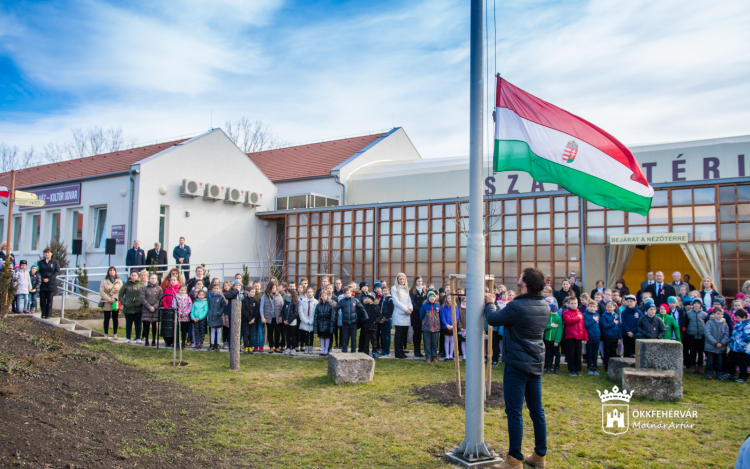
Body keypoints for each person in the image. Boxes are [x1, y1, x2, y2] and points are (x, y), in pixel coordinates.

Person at [485, 268, 548, 468]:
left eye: (521, 275)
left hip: (517, 366)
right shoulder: (544, 306)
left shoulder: (518, 305)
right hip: (535, 363)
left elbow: (493, 319)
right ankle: (540, 456)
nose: (518, 276)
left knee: (514, 412)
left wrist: (490, 303)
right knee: (537, 411)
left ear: (526, 282)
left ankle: (514, 459)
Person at [333, 286, 367, 353]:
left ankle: (353, 351)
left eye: (348, 293)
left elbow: (362, 308)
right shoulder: (342, 301)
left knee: (353, 338)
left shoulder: (355, 300)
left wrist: (365, 317)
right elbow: (335, 309)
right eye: (346, 293)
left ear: (351, 293)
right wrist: (334, 317)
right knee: (345, 338)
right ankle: (344, 350)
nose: (347, 294)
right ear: (344, 294)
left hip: (353, 323)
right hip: (345, 323)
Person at [117, 269, 144, 343]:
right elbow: (120, 295)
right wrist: (124, 303)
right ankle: (128, 337)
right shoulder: (126, 284)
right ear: (130, 276)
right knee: (128, 323)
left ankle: (138, 337)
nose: (133, 277)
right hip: (128, 308)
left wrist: (142, 303)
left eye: (135, 275)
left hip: (138, 308)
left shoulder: (141, 284)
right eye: (132, 275)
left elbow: (144, 295)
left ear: (137, 276)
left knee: (138, 323)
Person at [562, 296, 586, 376]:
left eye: (575, 303)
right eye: (572, 303)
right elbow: (568, 321)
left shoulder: (580, 313)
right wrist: (577, 318)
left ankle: (577, 369)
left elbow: (583, 326)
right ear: (568, 304)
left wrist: (585, 337)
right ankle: (571, 369)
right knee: (570, 353)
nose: (574, 305)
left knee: (578, 354)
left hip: (579, 337)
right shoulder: (566, 312)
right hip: (570, 336)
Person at [391, 273, 413, 359]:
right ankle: (398, 352)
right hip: (399, 314)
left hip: (406, 315)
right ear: (397, 280)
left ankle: (402, 351)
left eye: (403, 279)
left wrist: (410, 309)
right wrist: (405, 309)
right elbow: (396, 302)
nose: (402, 281)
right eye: (400, 279)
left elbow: (409, 301)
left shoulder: (406, 289)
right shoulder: (394, 288)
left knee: (404, 335)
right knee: (398, 335)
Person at [356, 282, 381, 358]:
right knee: (366, 340)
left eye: (369, 298)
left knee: (374, 340)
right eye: (366, 298)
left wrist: (376, 321)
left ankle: (374, 352)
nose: (367, 299)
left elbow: (379, 315)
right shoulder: (364, 307)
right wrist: (364, 321)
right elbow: (362, 315)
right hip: (366, 326)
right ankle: (366, 351)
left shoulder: (376, 307)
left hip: (373, 326)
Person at [704, 306, 730, 380]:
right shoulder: (709, 322)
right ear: (713, 314)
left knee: (719, 361)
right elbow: (707, 333)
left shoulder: (724, 324)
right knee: (710, 360)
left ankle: (719, 374)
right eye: (718, 314)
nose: (720, 316)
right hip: (711, 346)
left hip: (720, 346)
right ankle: (708, 373)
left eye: (721, 314)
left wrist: (722, 343)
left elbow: (726, 334)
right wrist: (715, 343)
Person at [99, 266, 123, 339]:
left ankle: (115, 334)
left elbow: (121, 291)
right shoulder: (104, 281)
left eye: (113, 270)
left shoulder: (119, 281)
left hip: (115, 302)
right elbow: (101, 291)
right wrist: (108, 298)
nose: (112, 272)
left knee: (115, 318)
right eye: (110, 270)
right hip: (107, 301)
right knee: (106, 318)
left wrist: (115, 298)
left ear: (115, 272)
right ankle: (106, 333)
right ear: (108, 272)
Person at [685, 298, 708, 373]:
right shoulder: (688, 314)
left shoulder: (704, 314)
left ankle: (700, 366)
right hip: (692, 335)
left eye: (698, 303)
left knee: (700, 352)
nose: (696, 305)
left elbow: (706, 324)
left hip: (701, 336)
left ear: (700, 305)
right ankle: (692, 366)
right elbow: (686, 323)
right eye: (695, 303)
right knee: (692, 351)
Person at [727, 308, 749, 383]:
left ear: (744, 317)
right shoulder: (738, 323)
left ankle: (743, 377)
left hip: (742, 349)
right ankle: (731, 373)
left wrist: (740, 345)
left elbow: (747, 338)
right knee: (730, 360)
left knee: (742, 363)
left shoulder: (748, 326)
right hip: (734, 347)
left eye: (738, 318)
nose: (736, 319)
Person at [140, 273, 163, 346]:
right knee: (146, 325)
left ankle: (154, 340)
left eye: (155, 278)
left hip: (155, 309)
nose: (153, 280)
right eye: (152, 278)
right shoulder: (145, 288)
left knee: (154, 325)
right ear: (149, 279)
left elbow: (160, 299)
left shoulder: (159, 288)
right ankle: (146, 339)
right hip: (147, 309)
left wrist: (154, 307)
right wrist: (149, 306)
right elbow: (142, 298)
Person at [261, 281, 284, 353]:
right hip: (269, 317)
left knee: (277, 332)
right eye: (272, 288)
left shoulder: (278, 295)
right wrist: (263, 317)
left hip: (277, 317)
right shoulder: (265, 296)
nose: (273, 289)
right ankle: (271, 347)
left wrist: (281, 316)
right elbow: (262, 307)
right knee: (270, 332)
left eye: (274, 288)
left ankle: (277, 347)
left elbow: (282, 306)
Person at [37, 247, 60, 320]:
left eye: (48, 253)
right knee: (42, 300)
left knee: (50, 300)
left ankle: (48, 314)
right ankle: (43, 313)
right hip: (43, 283)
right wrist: (42, 278)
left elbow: (56, 271)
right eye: (45, 253)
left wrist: (49, 279)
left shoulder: (54, 262)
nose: (47, 254)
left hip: (51, 283)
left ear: (51, 253)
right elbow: (38, 271)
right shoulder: (41, 262)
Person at [600, 300, 622, 371]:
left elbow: (619, 327)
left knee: (613, 351)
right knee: (607, 351)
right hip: (608, 336)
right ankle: (607, 366)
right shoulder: (604, 315)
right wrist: (613, 323)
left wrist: (619, 338)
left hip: (615, 337)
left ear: (614, 307)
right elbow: (605, 326)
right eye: (608, 307)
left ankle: (613, 366)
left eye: (611, 307)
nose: (609, 308)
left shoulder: (616, 316)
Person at [543, 296, 563, 374]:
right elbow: (544, 326)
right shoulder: (547, 317)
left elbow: (559, 330)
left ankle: (557, 367)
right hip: (547, 339)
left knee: (557, 354)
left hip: (555, 340)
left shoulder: (558, 318)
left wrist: (557, 340)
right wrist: (550, 325)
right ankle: (548, 366)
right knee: (548, 353)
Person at [409, 276, 427, 358]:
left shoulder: (425, 291)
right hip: (416, 315)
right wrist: (419, 309)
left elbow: (426, 301)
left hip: (424, 316)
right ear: (415, 282)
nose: (420, 282)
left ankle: (425, 351)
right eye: (418, 281)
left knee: (424, 334)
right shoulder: (412, 291)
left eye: (421, 281)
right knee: (417, 334)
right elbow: (412, 302)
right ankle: (417, 351)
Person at [374, 281, 394, 356]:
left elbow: (390, 310)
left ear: (388, 291)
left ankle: (387, 350)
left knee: (387, 335)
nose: (385, 292)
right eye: (383, 291)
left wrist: (385, 318)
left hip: (387, 320)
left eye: (386, 291)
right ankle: (383, 349)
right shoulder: (381, 299)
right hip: (381, 320)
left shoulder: (390, 300)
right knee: (382, 335)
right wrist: (380, 318)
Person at [206, 283, 228, 351]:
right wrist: (209, 313)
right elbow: (209, 305)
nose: (216, 290)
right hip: (212, 316)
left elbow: (224, 306)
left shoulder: (221, 297)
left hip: (218, 316)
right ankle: (212, 344)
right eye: (214, 288)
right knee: (212, 330)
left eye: (217, 289)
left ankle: (217, 344)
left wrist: (220, 313)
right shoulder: (210, 297)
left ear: (220, 289)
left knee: (218, 330)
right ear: (212, 289)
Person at [583, 300, 602, 375]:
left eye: (594, 306)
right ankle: (589, 367)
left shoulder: (597, 315)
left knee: (595, 352)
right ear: (588, 307)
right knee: (589, 352)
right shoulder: (585, 315)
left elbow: (598, 325)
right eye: (590, 306)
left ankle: (595, 366)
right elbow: (586, 325)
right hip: (589, 337)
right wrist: (593, 320)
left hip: (596, 337)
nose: (592, 308)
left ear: (596, 308)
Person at [314, 291, 335, 356]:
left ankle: (326, 350)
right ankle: (322, 349)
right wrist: (316, 324)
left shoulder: (330, 305)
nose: (324, 297)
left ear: (327, 296)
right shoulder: (318, 305)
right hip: (320, 323)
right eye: (322, 296)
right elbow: (316, 315)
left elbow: (332, 315)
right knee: (322, 337)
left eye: (325, 296)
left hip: (328, 323)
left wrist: (331, 324)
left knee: (327, 337)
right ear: (320, 297)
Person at [297, 287, 317, 354]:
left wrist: (312, 321)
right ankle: (306, 347)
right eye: (308, 292)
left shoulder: (316, 302)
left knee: (311, 334)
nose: (309, 293)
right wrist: (306, 321)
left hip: (312, 321)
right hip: (305, 321)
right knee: (305, 334)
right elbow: (300, 312)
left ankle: (311, 347)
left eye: (311, 292)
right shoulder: (303, 301)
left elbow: (316, 313)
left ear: (313, 293)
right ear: (306, 293)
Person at [241, 284, 259, 353]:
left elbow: (256, 311)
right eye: (252, 292)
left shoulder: (254, 301)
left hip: (253, 321)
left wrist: (253, 319)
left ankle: (251, 347)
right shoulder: (244, 301)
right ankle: (246, 347)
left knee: (252, 334)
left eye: (254, 292)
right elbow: (244, 311)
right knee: (246, 334)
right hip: (246, 321)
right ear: (248, 292)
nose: (253, 293)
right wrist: (249, 319)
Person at [281, 288, 299, 355]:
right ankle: (288, 348)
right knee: (287, 335)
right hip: (286, 321)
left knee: (293, 335)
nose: (287, 294)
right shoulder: (286, 301)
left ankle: (293, 348)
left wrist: (289, 321)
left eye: (288, 293)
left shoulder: (295, 302)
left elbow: (295, 313)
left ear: (292, 294)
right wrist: (284, 320)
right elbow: (282, 312)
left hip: (292, 322)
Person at [440, 293, 457, 361]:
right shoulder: (443, 307)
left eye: (451, 298)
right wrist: (446, 325)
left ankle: (451, 355)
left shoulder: (455, 307)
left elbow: (457, 316)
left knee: (452, 340)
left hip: (453, 326)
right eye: (448, 298)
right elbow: (442, 316)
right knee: (447, 340)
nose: (450, 300)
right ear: (446, 299)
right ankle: (447, 354)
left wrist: (453, 325)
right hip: (446, 326)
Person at [175, 284, 193, 349]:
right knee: (177, 331)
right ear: (179, 290)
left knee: (184, 331)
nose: (182, 291)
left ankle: (183, 343)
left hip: (185, 318)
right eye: (181, 290)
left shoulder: (188, 298)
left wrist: (184, 313)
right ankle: (177, 343)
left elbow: (190, 307)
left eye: (184, 290)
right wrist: (179, 314)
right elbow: (174, 306)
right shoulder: (176, 298)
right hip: (178, 318)